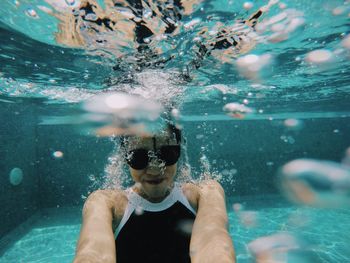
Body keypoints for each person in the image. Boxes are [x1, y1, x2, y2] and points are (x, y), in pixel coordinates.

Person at [73, 123, 235, 263]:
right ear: (125, 156)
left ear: (180, 150)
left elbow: (213, 243)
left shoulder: (206, 193)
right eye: (139, 157)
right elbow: (93, 253)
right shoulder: (105, 203)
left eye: (167, 154)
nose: (155, 168)